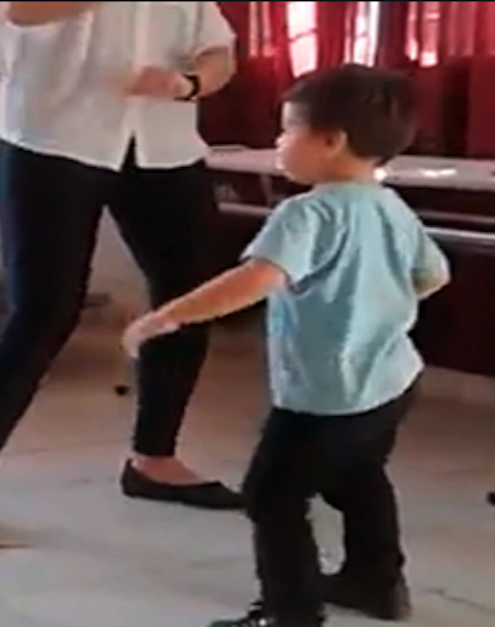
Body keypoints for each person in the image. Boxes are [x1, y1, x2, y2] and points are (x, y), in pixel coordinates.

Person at [122, 64, 451, 627]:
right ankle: (376, 583)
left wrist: (166, 316)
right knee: (360, 476)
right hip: (390, 380)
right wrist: (374, 301)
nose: (277, 142)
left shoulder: (307, 213)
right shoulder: (391, 206)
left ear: (331, 141)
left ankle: (289, 612)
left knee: (271, 496)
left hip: (323, 396)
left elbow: (253, 280)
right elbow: (433, 275)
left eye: (286, 130)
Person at [0, 2, 241, 509]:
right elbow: (19, 10)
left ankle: (154, 460)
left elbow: (219, 51)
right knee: (45, 310)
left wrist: (189, 84)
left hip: (165, 144)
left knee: (191, 297)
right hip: (53, 138)